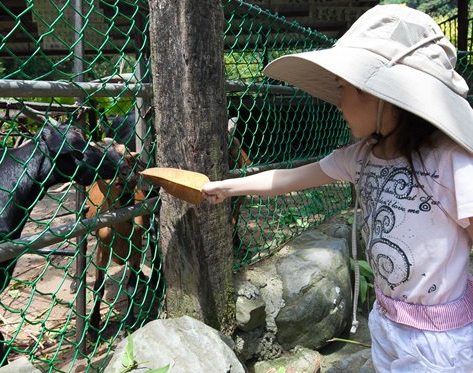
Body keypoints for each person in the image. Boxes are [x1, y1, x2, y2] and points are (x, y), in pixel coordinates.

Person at [201, 5, 473, 372]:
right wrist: (227, 186)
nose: (337, 101)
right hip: (386, 320)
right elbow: (288, 179)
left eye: (343, 88)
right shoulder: (361, 157)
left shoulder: (450, 161)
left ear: (381, 94)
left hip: (440, 340)